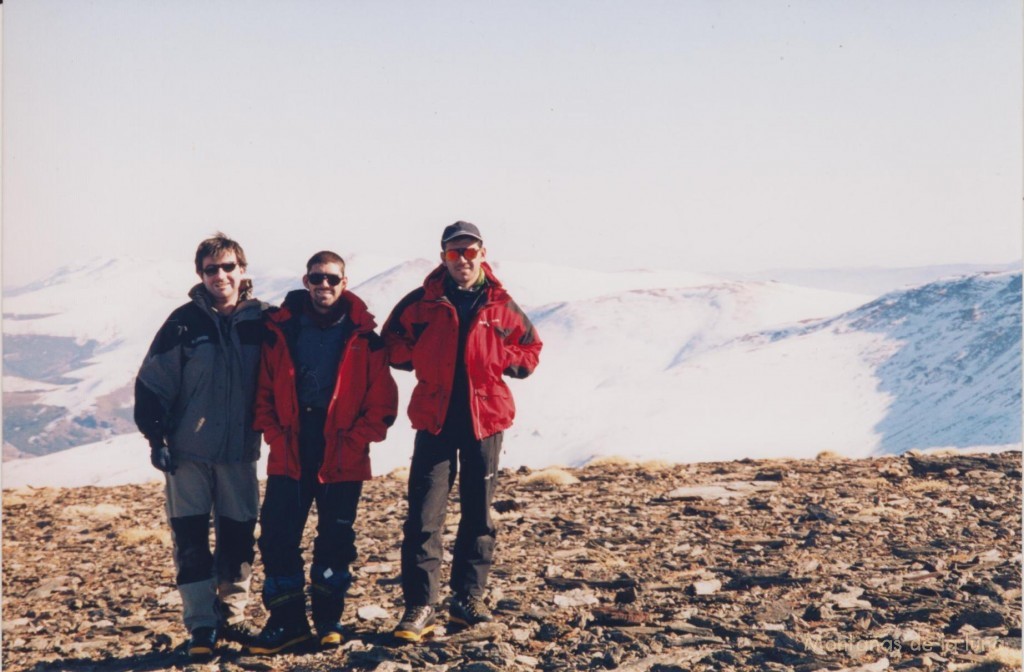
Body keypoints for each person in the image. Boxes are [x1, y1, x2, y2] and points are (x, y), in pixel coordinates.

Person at [383, 221, 543, 641]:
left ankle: (467, 600)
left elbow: (530, 350)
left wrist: (501, 357)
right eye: (455, 253)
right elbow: (392, 341)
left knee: (478, 514)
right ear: (443, 258)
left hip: (485, 420)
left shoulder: (500, 303)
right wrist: (418, 354)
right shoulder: (423, 301)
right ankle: (420, 606)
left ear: (483, 253)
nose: (464, 260)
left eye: (470, 252)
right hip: (435, 419)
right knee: (423, 515)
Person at [248, 251, 398, 654]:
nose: (324, 286)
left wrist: (353, 440)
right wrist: (276, 435)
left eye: (332, 278)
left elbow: (382, 404)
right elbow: (262, 391)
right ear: (306, 281)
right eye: (317, 278)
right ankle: (288, 622)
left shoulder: (365, 336)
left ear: (344, 282)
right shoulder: (282, 330)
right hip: (292, 447)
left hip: (342, 454)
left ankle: (329, 620)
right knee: (278, 536)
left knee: (335, 539)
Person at [134, 234, 267, 657]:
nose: (221, 276)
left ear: (242, 270)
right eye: (212, 269)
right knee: (190, 540)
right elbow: (153, 383)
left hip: (240, 453)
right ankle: (201, 626)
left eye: (228, 267)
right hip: (188, 454)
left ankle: (232, 616)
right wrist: (156, 439)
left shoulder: (263, 321)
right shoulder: (183, 323)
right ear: (201, 275)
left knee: (239, 537)